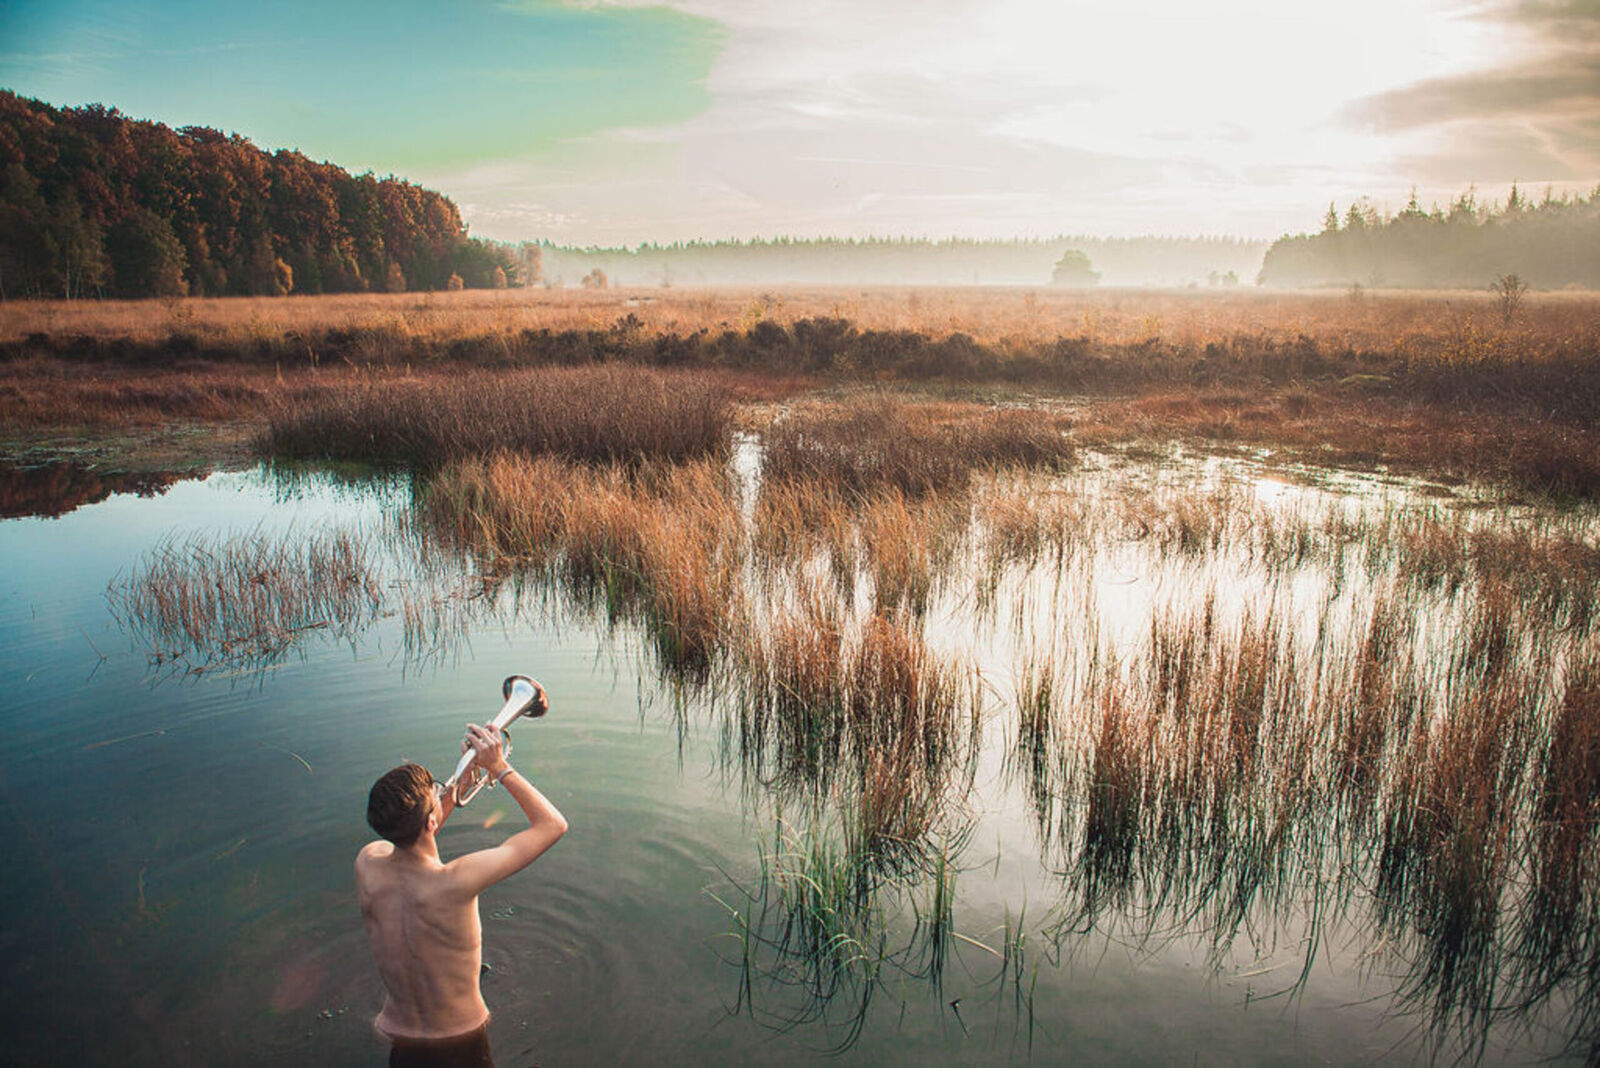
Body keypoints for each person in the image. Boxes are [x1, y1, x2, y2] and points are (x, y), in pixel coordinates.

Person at [357, 692, 568, 1068]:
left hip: (393, 1031)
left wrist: (459, 785)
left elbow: (413, 836)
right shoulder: (457, 882)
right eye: (437, 791)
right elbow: (553, 825)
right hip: (460, 1039)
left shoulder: (367, 863)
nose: (443, 791)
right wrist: (498, 766)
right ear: (431, 821)